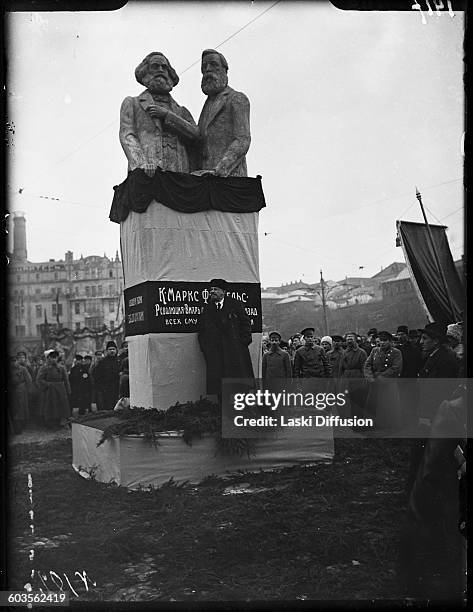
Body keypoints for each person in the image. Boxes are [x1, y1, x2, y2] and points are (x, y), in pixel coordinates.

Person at [120, 51, 199, 176]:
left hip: (179, 174)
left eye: (164, 67)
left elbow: (196, 134)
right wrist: (141, 164)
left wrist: (167, 115)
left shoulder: (181, 111)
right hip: (149, 171)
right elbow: (127, 136)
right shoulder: (132, 103)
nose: (160, 70)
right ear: (145, 73)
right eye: (155, 66)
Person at [195, 49, 251, 177]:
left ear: (224, 71)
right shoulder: (208, 104)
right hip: (205, 179)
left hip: (229, 178)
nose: (208, 69)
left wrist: (220, 170)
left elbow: (242, 140)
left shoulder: (237, 98)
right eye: (204, 67)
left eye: (213, 65)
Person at [198, 278, 254, 397]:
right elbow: (202, 330)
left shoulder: (235, 304)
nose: (212, 292)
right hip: (216, 353)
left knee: (238, 382)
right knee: (220, 384)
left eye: (215, 289)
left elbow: (246, 323)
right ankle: (223, 410)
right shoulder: (208, 308)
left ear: (223, 291)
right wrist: (206, 348)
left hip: (235, 351)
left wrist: (243, 342)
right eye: (211, 289)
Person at [364, 330, 403, 430]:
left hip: (388, 384)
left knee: (388, 405)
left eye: (385, 340)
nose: (382, 343)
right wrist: (370, 377)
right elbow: (367, 364)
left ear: (391, 341)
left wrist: (381, 378)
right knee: (373, 404)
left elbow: (396, 368)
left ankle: (390, 427)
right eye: (381, 340)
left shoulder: (396, 352)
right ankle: (373, 426)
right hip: (374, 383)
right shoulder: (375, 351)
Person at [36, 350, 71, 429]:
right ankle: (52, 423)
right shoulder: (44, 368)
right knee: (51, 406)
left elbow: (66, 380)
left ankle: (61, 422)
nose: (54, 359)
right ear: (48, 358)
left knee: (61, 406)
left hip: (61, 390)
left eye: (55, 357)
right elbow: (39, 379)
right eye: (52, 358)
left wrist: (68, 390)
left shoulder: (61, 368)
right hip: (50, 391)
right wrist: (48, 384)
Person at [93, 341, 120, 411]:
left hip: (117, 387)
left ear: (116, 350)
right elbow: (97, 376)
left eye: (113, 349)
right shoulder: (102, 362)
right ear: (107, 351)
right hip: (105, 388)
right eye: (110, 349)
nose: (112, 351)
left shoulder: (119, 361)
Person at [9, 355, 32, 434]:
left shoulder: (23, 369)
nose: (13, 363)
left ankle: (21, 426)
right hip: (12, 391)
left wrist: (29, 390)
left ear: (17, 361)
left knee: (21, 409)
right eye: (11, 361)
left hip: (22, 391)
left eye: (15, 361)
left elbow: (29, 380)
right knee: (14, 409)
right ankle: (16, 428)